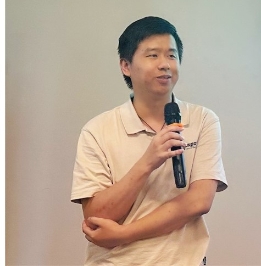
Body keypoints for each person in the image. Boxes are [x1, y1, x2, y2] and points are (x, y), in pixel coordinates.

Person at [71, 16, 227, 265]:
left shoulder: (202, 120)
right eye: (153, 55)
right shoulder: (97, 130)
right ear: (126, 66)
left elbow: (198, 201)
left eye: (172, 55)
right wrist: (148, 162)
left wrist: (123, 234)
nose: (165, 64)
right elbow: (96, 217)